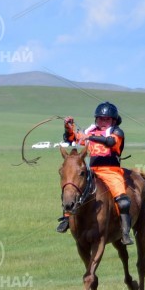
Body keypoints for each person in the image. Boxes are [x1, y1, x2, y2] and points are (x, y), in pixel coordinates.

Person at [56, 102, 133, 245]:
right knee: (72, 187)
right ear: (96, 119)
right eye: (100, 119)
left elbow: (110, 142)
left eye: (107, 119)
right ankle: (67, 218)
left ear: (113, 120)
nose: (103, 122)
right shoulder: (90, 131)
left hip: (111, 172)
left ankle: (125, 232)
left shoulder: (117, 132)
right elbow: (72, 138)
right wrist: (68, 127)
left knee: (123, 201)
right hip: (92, 171)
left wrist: (89, 137)